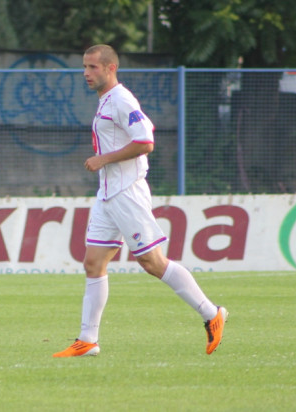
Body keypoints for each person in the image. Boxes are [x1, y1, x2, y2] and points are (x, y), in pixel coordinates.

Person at [53, 44, 228, 358]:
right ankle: (88, 340)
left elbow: (146, 141)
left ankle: (211, 313)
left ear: (111, 68)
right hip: (108, 194)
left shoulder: (122, 100)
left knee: (152, 262)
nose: (86, 73)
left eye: (93, 67)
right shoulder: (106, 101)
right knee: (93, 263)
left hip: (126, 193)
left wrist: (103, 159)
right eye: (84, 67)